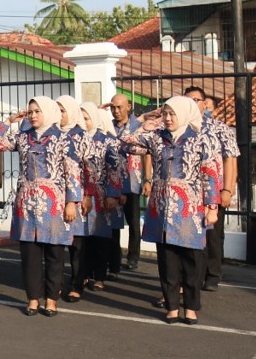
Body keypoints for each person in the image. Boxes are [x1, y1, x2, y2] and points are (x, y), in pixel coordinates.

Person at [126, 96, 218, 324]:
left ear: (185, 114)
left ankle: (191, 307)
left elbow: (212, 174)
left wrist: (212, 206)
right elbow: (125, 143)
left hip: (191, 209)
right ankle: (172, 306)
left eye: (172, 114)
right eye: (165, 114)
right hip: (162, 208)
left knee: (192, 261)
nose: (167, 118)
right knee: (167, 261)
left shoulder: (201, 139)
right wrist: (142, 124)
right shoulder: (157, 138)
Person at [1, 96, 82, 317]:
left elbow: (72, 172)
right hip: (27, 204)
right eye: (30, 112)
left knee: (55, 254)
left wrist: (72, 202)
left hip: (54, 204)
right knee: (30, 255)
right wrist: (9, 121)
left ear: (49, 112)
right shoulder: (23, 138)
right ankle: (33, 299)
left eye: (37, 111)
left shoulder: (64, 139)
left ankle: (51, 299)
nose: (33, 115)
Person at [182, 86, 239, 292]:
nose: (193, 104)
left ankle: (212, 274)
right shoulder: (180, 128)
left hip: (213, 190)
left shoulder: (218, 128)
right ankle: (190, 276)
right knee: (189, 236)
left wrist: (228, 190)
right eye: (188, 100)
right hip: (188, 193)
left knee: (212, 236)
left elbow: (230, 160)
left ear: (205, 104)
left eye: (196, 100)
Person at [76, 102, 123, 293]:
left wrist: (113, 194)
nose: (83, 122)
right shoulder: (74, 140)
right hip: (79, 194)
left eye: (86, 118)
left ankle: (100, 276)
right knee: (81, 239)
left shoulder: (106, 141)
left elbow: (115, 169)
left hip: (101, 196)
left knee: (101, 238)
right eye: (81, 118)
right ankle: (83, 274)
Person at [107, 94, 151, 272]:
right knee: (113, 222)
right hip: (113, 182)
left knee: (133, 221)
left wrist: (148, 179)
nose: (116, 111)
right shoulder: (107, 126)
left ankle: (133, 257)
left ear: (129, 106)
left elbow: (148, 154)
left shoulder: (138, 126)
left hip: (133, 181)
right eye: (113, 108)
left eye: (119, 107)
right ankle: (113, 258)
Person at [55, 95, 88, 303]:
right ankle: (55, 284)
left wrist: (87, 195)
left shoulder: (80, 135)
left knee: (77, 244)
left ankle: (77, 283)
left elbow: (91, 167)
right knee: (57, 242)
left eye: (62, 110)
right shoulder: (52, 134)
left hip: (78, 194)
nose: (59, 115)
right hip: (56, 197)